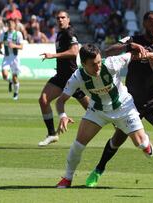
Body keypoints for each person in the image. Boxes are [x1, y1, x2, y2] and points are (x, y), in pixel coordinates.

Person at [85, 11, 153, 190]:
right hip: (131, 101)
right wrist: (131, 46)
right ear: (145, 24)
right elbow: (109, 51)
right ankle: (98, 170)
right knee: (117, 139)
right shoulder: (133, 39)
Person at [55, 43, 153, 188]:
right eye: (93, 64)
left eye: (99, 62)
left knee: (142, 145)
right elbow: (60, 100)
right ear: (83, 64)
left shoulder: (112, 63)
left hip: (124, 107)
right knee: (78, 145)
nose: (98, 67)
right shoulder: (77, 77)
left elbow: (132, 55)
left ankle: (146, 143)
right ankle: (67, 178)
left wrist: (151, 55)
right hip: (98, 110)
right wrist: (62, 115)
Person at [38, 10, 89, 146]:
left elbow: (74, 52)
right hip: (61, 76)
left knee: (92, 109)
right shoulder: (60, 34)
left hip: (73, 77)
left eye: (63, 17)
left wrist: (53, 56)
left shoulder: (69, 33)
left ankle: (118, 124)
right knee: (43, 100)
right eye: (58, 18)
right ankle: (52, 134)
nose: (60, 20)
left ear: (68, 19)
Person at [0, 18, 23, 100]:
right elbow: (0, 43)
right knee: (4, 75)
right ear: (7, 25)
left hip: (15, 58)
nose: (10, 26)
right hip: (6, 57)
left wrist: (14, 46)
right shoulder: (4, 34)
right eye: (9, 24)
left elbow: (21, 46)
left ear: (14, 25)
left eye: (12, 24)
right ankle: (10, 82)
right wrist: (0, 49)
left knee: (15, 77)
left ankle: (16, 93)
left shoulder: (18, 34)